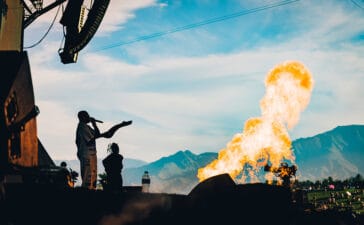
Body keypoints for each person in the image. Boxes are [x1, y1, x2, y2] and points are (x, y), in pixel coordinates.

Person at [75, 110, 132, 190]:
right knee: (87, 177)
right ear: (82, 117)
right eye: (87, 115)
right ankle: (86, 192)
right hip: (86, 155)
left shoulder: (87, 127)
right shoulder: (82, 127)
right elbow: (90, 140)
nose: (89, 117)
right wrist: (104, 135)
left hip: (91, 154)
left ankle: (91, 190)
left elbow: (97, 134)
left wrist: (94, 124)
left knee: (92, 176)